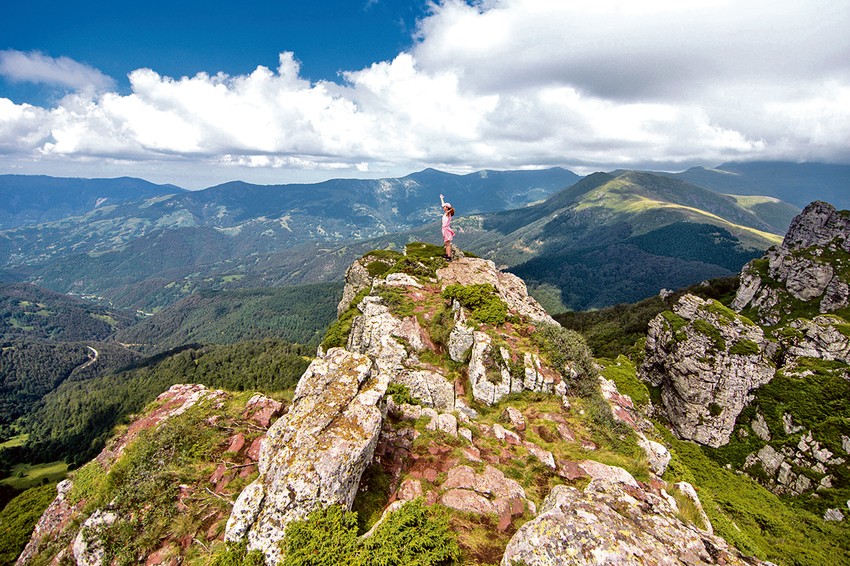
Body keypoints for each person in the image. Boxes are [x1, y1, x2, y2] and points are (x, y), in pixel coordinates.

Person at [440, 194, 455, 260]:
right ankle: (447, 255)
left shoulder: (448, 213)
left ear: (447, 208)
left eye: (444, 207)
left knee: (448, 243)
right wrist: (441, 198)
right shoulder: (446, 213)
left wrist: (449, 209)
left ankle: (449, 256)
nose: (443, 208)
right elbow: (443, 204)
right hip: (444, 229)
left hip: (446, 229)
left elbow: (450, 210)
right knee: (446, 243)